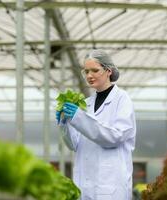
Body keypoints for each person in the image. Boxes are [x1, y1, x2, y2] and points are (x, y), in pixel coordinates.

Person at [56, 49, 136, 200]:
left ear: (108, 71)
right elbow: (74, 145)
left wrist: (79, 118)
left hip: (111, 186)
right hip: (85, 185)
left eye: (94, 70)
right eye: (86, 71)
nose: (89, 76)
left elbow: (114, 137)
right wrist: (64, 124)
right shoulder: (86, 104)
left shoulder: (122, 99)